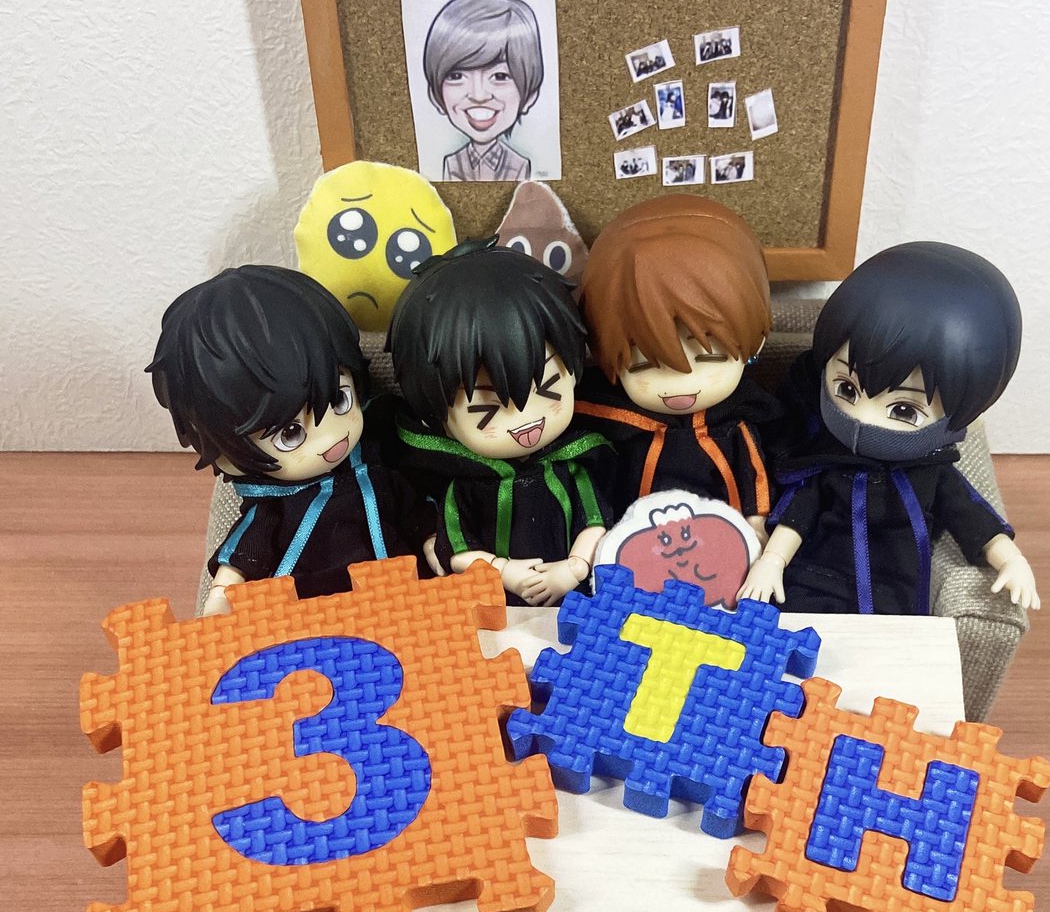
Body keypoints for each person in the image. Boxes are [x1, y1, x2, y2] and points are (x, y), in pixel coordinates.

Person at [739, 242, 1040, 615]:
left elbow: (973, 518)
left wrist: (1011, 559)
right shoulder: (824, 461)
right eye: (847, 389)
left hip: (897, 593)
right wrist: (772, 561)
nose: (863, 419)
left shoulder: (933, 474)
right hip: (814, 584)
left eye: (903, 409)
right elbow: (798, 516)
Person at [147, 266, 432, 614]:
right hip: (306, 610)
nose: (330, 438)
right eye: (290, 434)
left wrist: (433, 540)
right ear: (228, 456)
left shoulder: (377, 456)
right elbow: (249, 546)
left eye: (339, 400)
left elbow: (413, 506)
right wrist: (223, 590)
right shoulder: (276, 502)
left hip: (400, 595)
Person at [387, 238, 614, 606]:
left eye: (549, 389)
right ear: (439, 419)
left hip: (574, 599)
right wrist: (503, 572)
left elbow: (595, 523)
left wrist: (573, 569)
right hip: (496, 607)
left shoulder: (571, 466)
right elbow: (458, 550)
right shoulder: (465, 486)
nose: (525, 422)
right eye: (485, 410)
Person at [575, 197, 778, 536]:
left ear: (754, 344)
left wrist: (756, 526)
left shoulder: (740, 419)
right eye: (643, 364)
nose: (679, 383)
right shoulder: (607, 420)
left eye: (709, 357)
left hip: (721, 542)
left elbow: (754, 479)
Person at [423, 0, 543, 182]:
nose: (478, 95)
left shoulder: (520, 165)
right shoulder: (452, 163)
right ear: (435, 96)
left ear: (529, 97)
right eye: (456, 76)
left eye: (500, 76)